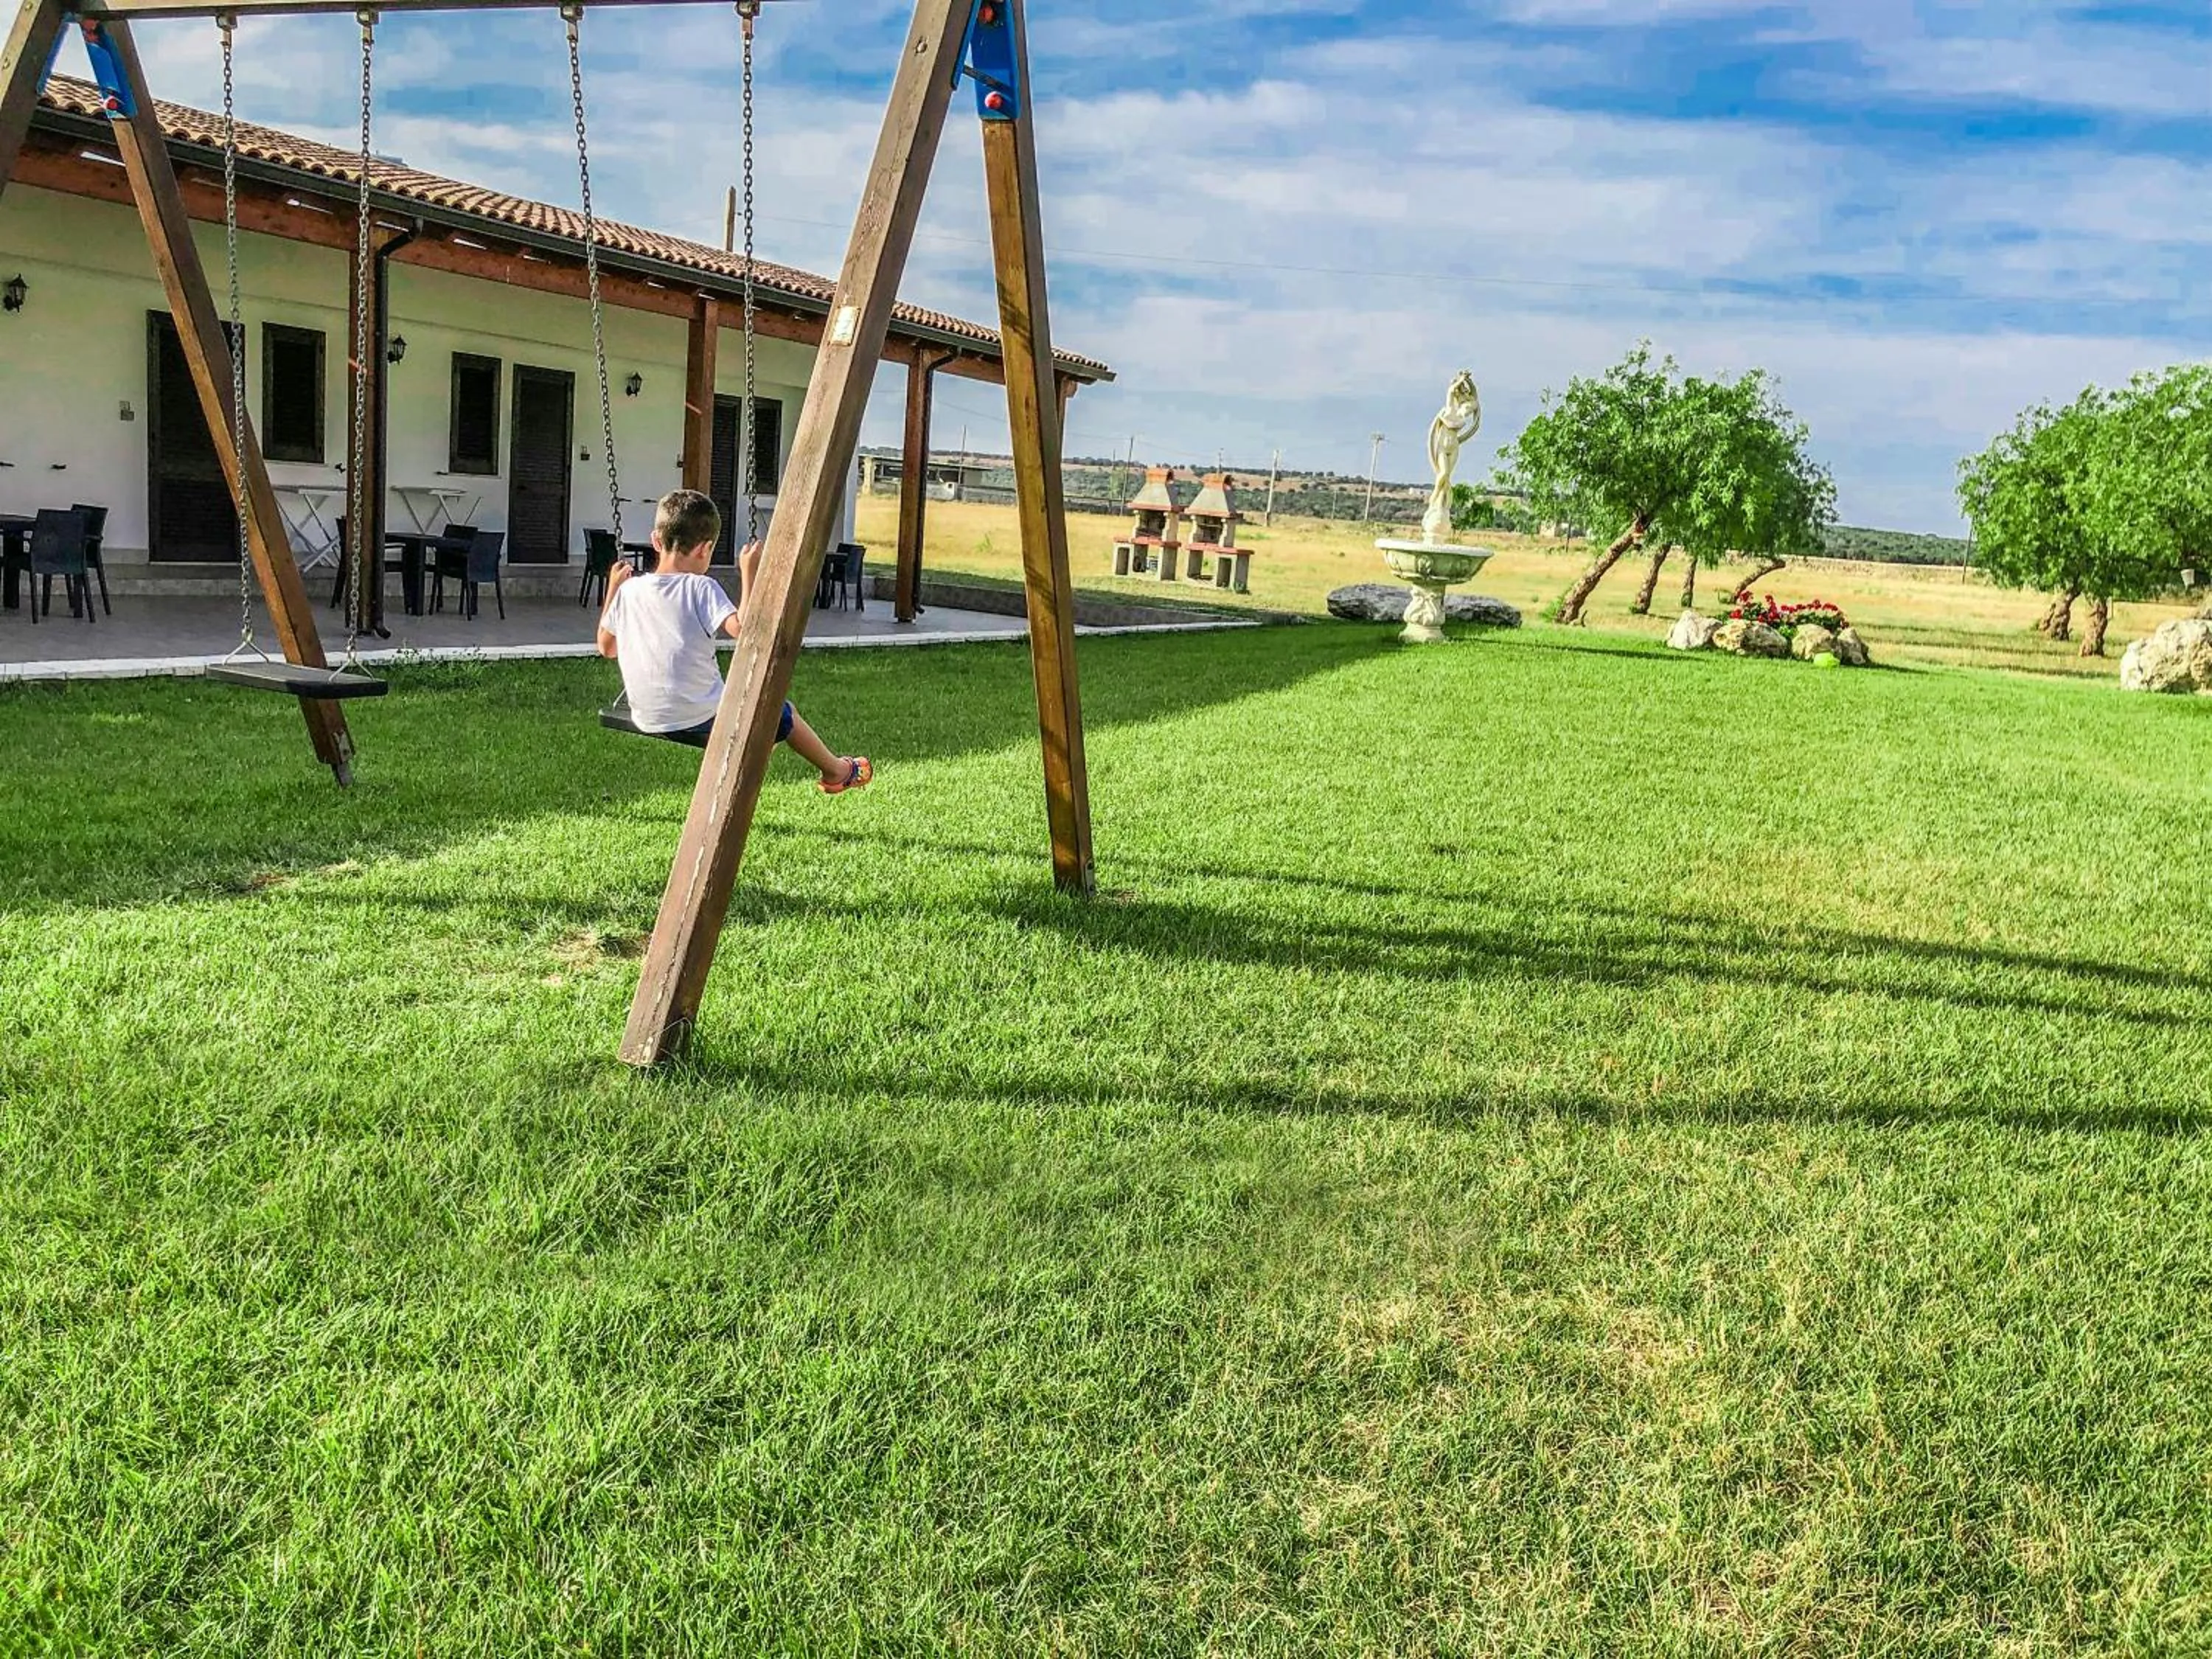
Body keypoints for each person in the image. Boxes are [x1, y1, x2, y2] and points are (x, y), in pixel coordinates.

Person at [597, 489, 872, 793]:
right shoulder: (701, 587)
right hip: (699, 717)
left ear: (656, 541)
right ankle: (837, 771)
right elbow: (744, 631)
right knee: (781, 712)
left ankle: (770, 761)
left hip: (647, 715)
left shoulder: (629, 590)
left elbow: (607, 648)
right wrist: (750, 573)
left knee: (759, 720)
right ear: (706, 549)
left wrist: (613, 588)